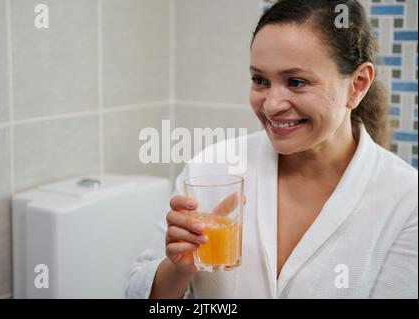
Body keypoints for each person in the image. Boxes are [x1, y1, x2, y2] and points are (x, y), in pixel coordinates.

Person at [125, 0, 418, 299]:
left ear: (357, 84)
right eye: (260, 80)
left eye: (296, 82)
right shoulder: (211, 168)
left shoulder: (407, 200)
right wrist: (178, 270)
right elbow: (139, 292)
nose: (271, 104)